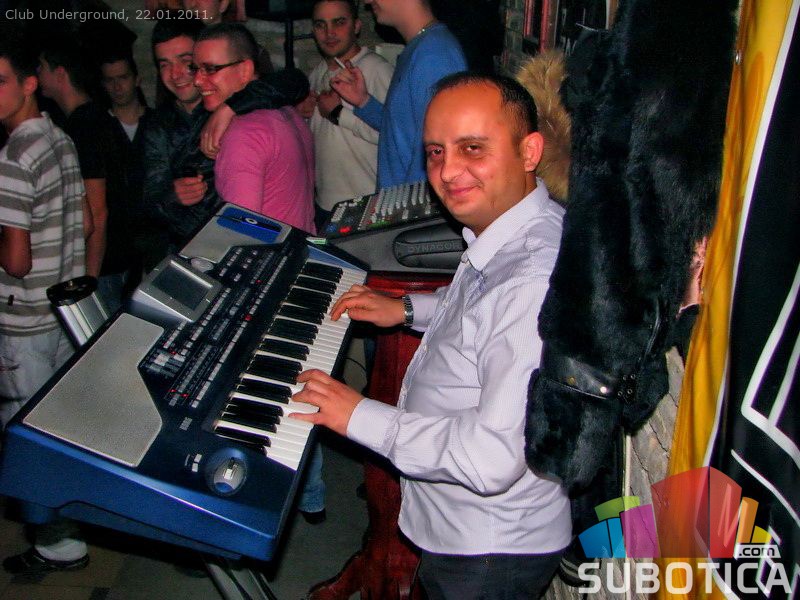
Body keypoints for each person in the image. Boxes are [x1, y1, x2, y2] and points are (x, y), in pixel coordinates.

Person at [292, 72, 571, 598]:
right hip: (465, 531)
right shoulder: (515, 229)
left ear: (529, 151)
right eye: (436, 152)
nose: (447, 171)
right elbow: (482, 311)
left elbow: (491, 458)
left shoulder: (532, 279)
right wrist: (406, 308)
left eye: (472, 148)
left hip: (487, 550)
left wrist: (357, 415)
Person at [0, 30, 88, 574]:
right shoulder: (59, 138)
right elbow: (86, 221)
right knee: (58, 426)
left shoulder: (13, 156)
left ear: (29, 84)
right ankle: (69, 526)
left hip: (26, 318)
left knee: (26, 436)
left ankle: (57, 544)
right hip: (62, 312)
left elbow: (15, 260)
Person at [143, 16, 308, 249]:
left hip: (244, 244)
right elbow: (147, 201)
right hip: (192, 247)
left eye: (186, 62)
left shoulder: (238, 108)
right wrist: (172, 196)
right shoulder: (158, 125)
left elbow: (295, 80)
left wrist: (230, 107)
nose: (176, 73)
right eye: (164, 65)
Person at [38, 36, 133, 313]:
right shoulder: (95, 118)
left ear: (60, 73)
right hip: (116, 260)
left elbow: (97, 210)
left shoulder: (85, 126)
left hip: (104, 266)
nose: (37, 73)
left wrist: (88, 280)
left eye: (41, 67)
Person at [330, 0, 466, 188]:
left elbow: (437, 158)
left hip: (409, 204)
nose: (367, 1)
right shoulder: (421, 47)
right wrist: (364, 101)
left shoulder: (434, 55)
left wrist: (404, 207)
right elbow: (404, 133)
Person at [194, 24, 315, 233]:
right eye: (195, 69)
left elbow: (241, 231)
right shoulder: (286, 110)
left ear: (245, 70)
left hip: (271, 252)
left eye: (211, 69)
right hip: (300, 246)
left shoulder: (243, 134)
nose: (197, 80)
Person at [301, 0, 393, 229]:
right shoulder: (317, 73)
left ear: (357, 26)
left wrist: (338, 114)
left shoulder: (377, 69)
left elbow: (395, 136)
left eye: (339, 22)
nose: (329, 33)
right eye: (321, 25)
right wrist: (301, 115)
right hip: (325, 203)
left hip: (365, 204)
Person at [100, 51, 166, 276]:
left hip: (156, 234)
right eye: (110, 80)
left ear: (136, 79)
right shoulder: (99, 128)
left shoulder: (158, 123)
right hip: (115, 242)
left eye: (123, 78)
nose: (117, 86)